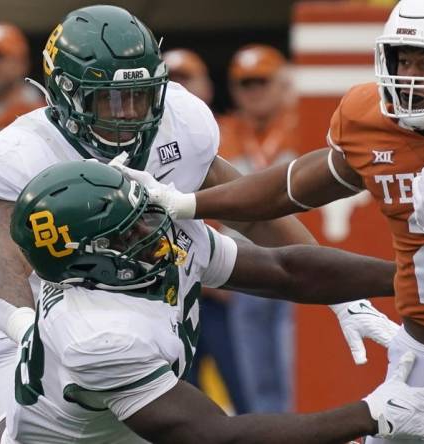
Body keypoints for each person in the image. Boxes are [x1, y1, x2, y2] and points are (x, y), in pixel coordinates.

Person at [117, 0, 424, 441]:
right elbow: (287, 187)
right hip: (421, 367)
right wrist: (186, 204)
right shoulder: (372, 121)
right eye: (403, 59)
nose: (410, 76)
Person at [0, 5, 396, 423]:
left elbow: (249, 211)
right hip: (50, 329)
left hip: (156, 305)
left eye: (139, 97)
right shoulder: (26, 152)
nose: (126, 115)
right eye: (109, 100)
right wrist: (29, 331)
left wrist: (346, 298)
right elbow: (1, 261)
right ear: (65, 91)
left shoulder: (181, 126)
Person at [0, 160, 424, 444]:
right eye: (127, 232)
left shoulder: (153, 246)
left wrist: (416, 279)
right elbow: (218, 438)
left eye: (142, 216)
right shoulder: (97, 337)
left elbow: (284, 270)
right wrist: (370, 415)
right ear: (87, 264)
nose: (151, 231)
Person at [163, 47, 248, 413]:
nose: (178, 89)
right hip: (170, 282)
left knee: (246, 387)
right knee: (181, 396)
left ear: (207, 86)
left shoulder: (227, 133)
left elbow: (252, 201)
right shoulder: (141, 137)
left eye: (186, 79)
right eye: (171, 80)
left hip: (227, 280)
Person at [218, 44, 300, 412]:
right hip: (244, 263)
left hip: (299, 257)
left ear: (283, 82)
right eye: (245, 83)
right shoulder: (221, 131)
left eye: (261, 81)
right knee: (255, 373)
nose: (254, 91)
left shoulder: (306, 121)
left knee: (297, 364)